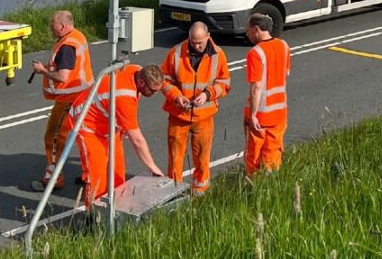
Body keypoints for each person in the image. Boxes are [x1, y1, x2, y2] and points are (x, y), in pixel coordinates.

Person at [66, 63, 166, 208]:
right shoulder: (124, 97)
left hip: (108, 124)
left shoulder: (137, 70)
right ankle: (93, 218)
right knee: (98, 177)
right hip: (87, 126)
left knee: (117, 173)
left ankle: (117, 211)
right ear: (141, 82)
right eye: (151, 90)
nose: (153, 94)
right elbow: (137, 140)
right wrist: (152, 167)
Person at [160, 22, 231, 195]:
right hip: (179, 114)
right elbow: (164, 81)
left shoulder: (218, 55)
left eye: (200, 42)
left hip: (204, 116)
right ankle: (174, 192)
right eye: (193, 42)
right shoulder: (176, 53)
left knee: (202, 156)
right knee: (176, 157)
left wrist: (207, 94)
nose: (197, 46)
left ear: (208, 37)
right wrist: (177, 97)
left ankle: (200, 189)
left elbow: (224, 83)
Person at [30, 10, 93, 191]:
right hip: (84, 95)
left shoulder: (67, 46)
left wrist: (42, 70)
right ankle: (89, 175)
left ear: (62, 26)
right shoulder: (78, 37)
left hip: (69, 99)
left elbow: (63, 76)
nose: (51, 28)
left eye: (53, 26)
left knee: (54, 138)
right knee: (84, 137)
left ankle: (53, 179)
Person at [243, 13, 290, 178]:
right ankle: (273, 185)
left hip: (262, 116)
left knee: (253, 156)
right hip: (280, 112)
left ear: (256, 30)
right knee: (273, 152)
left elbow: (256, 87)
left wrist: (253, 114)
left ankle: (253, 188)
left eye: (247, 31)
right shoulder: (284, 46)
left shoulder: (255, 53)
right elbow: (285, 74)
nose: (247, 34)